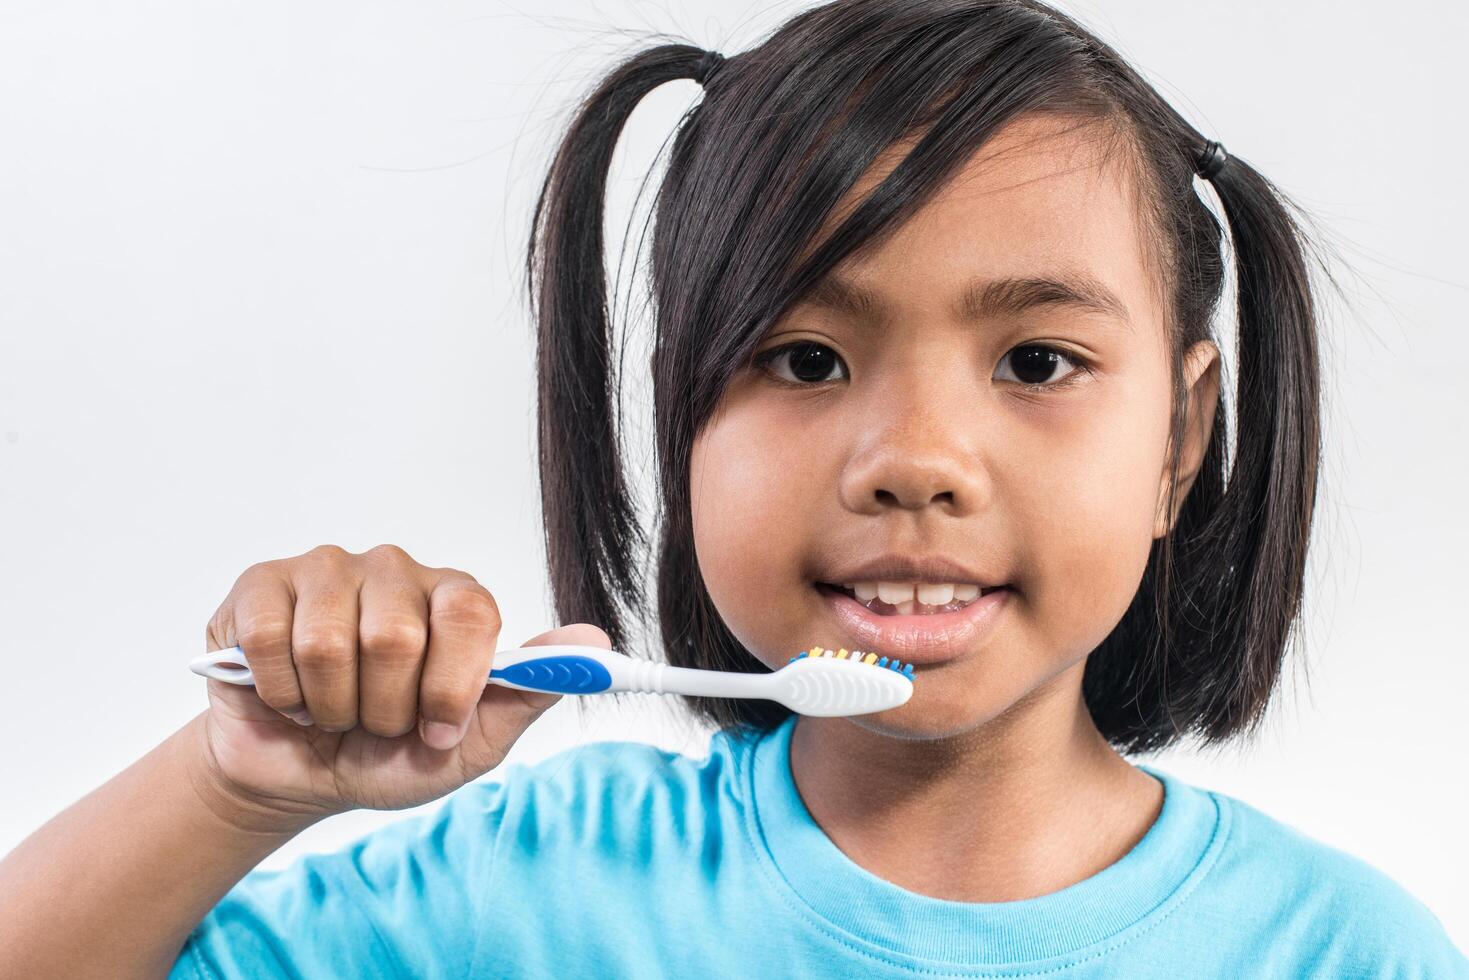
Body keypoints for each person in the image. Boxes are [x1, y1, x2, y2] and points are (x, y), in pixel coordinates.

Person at [3, 1, 1464, 976]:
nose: (914, 463)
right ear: (675, 418)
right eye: (804, 358)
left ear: (1178, 439)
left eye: (1034, 360)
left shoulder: (1346, 953)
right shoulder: (518, 893)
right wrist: (232, 790)